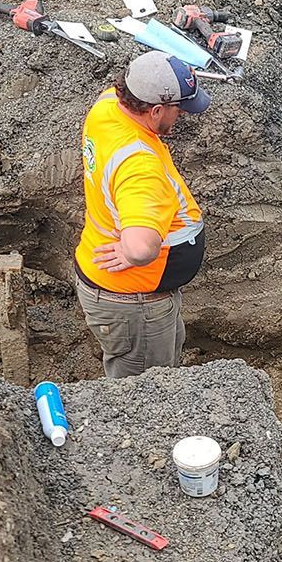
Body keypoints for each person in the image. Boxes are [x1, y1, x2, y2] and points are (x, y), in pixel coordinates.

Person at [75, 52, 210, 380]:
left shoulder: (109, 106)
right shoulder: (139, 167)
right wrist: (128, 251)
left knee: (162, 368)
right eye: (177, 109)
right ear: (156, 110)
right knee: (144, 394)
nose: (179, 116)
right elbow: (139, 248)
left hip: (142, 295)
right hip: (135, 303)